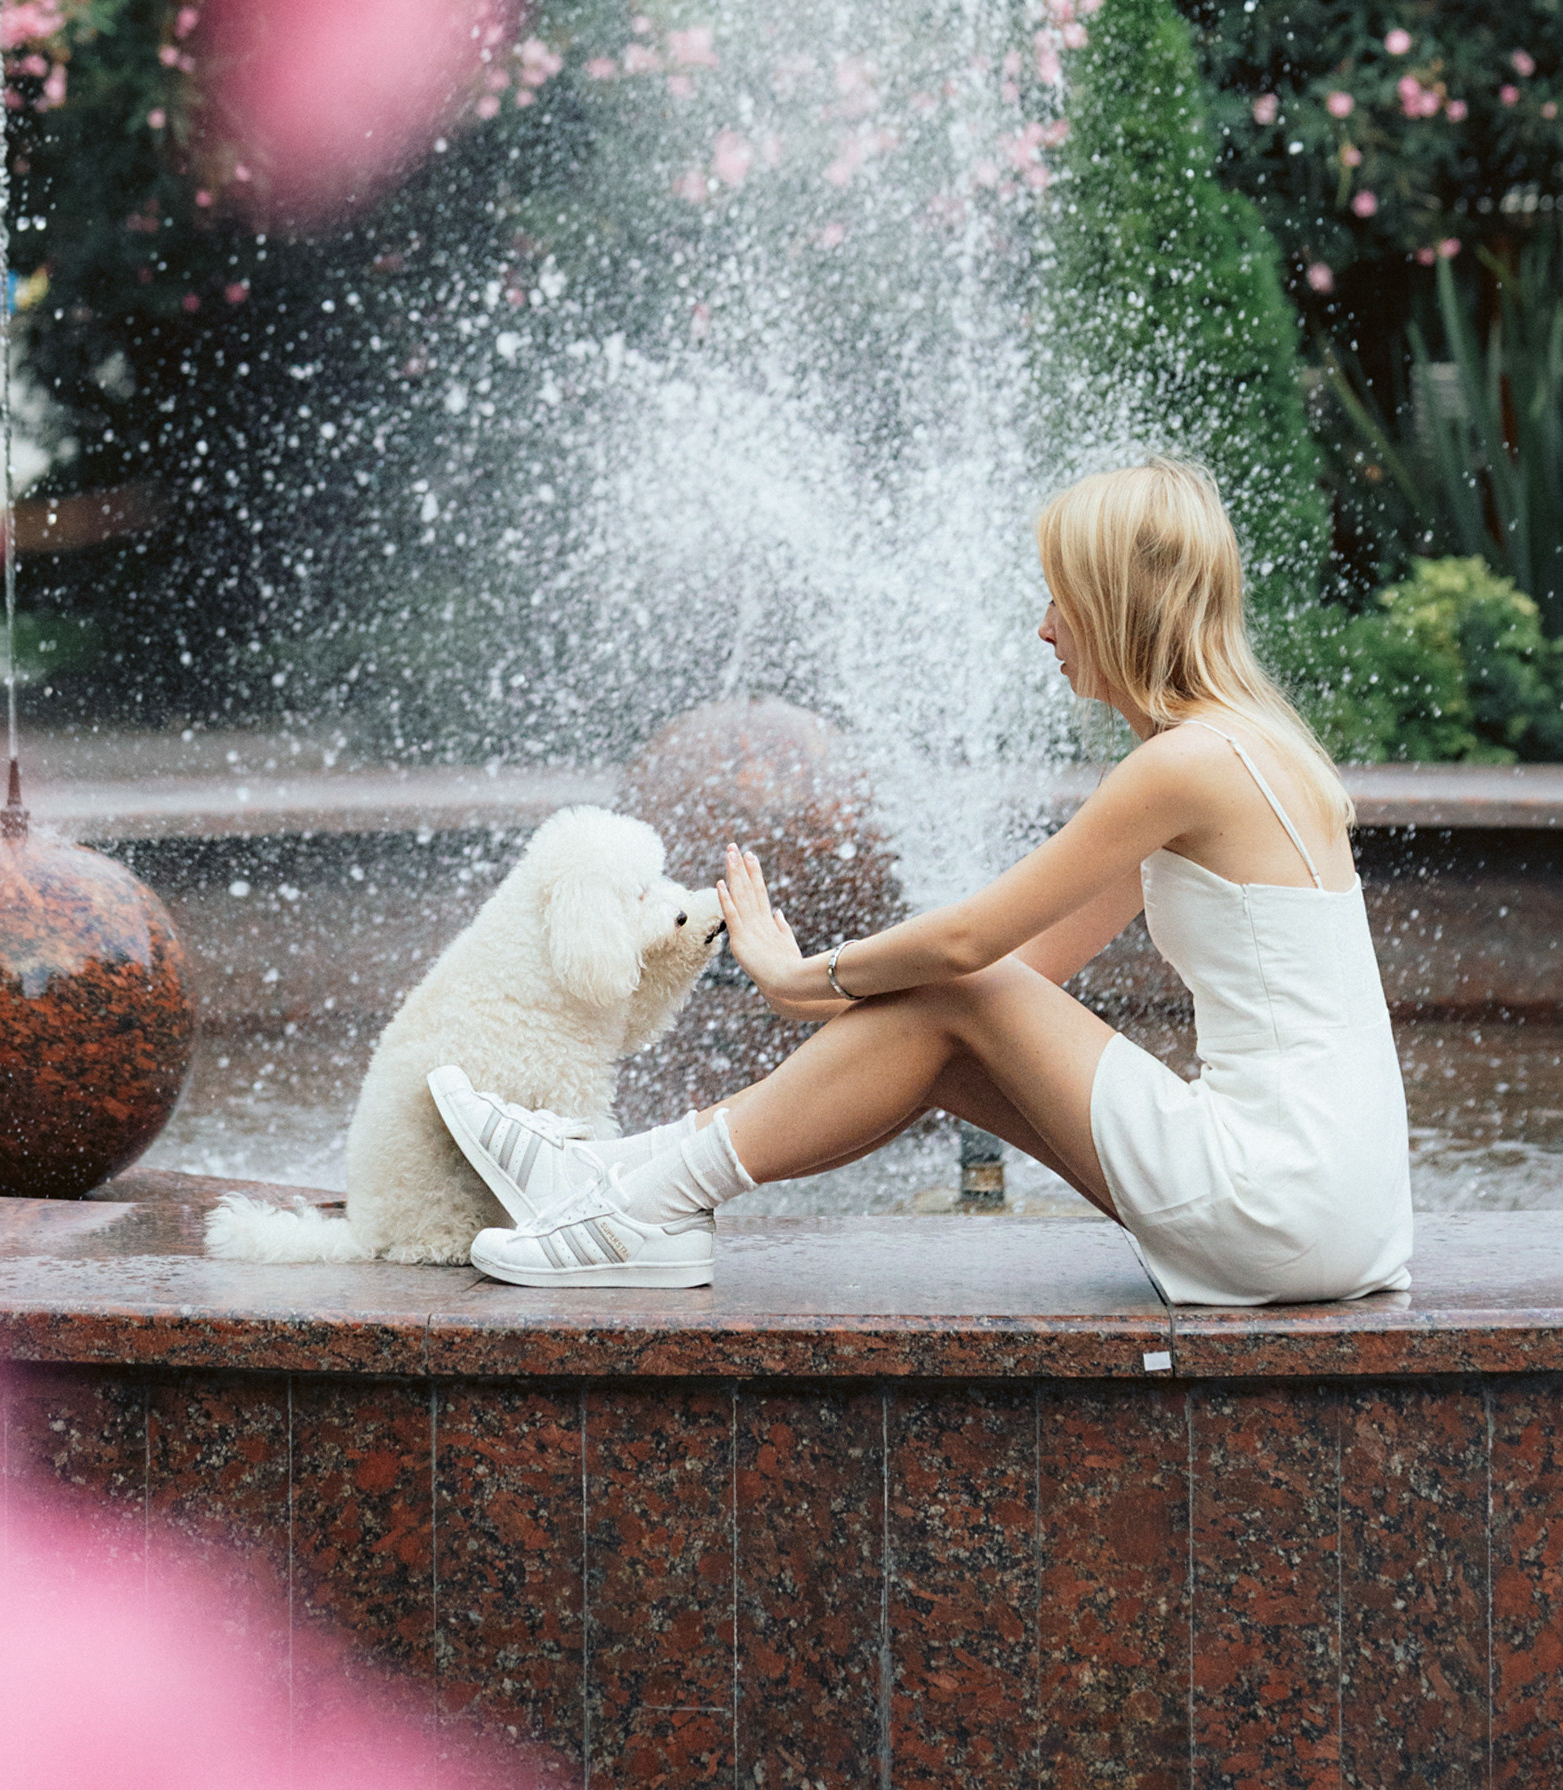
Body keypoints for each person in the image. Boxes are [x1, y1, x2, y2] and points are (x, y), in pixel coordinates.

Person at [432, 455, 1413, 1302]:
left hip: (1277, 1199)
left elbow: (966, 949)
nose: (1042, 630)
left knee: (953, 985)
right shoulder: (1246, 748)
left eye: (1056, 599)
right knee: (943, 1040)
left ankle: (628, 1205)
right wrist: (864, 1019)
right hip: (1334, 1209)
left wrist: (792, 975)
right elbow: (1030, 968)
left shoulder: (1182, 766)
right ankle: (615, 1181)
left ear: (1114, 604)